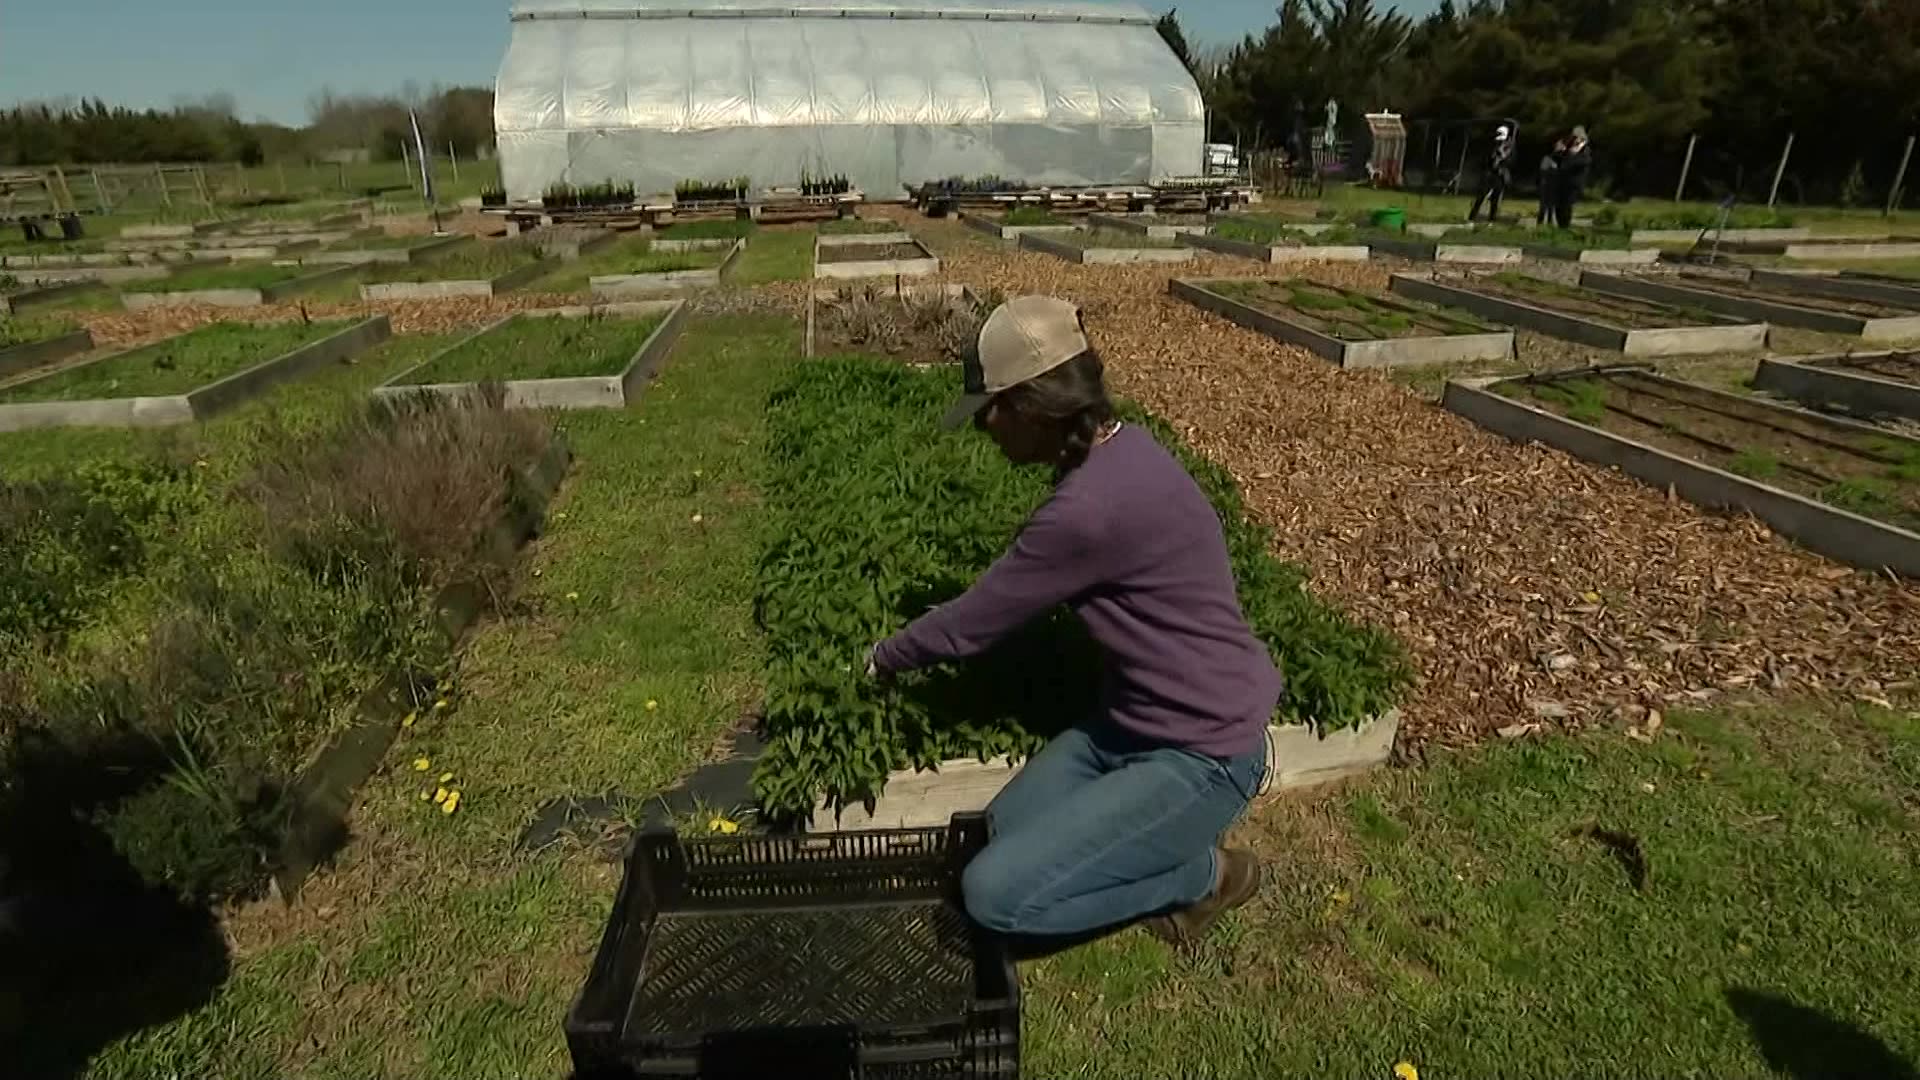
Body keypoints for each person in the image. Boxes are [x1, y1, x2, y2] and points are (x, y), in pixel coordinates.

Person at [867, 296, 1279, 946]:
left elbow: (972, 623)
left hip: (1202, 753)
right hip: (1126, 726)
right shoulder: (1123, 449)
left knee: (994, 895)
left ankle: (1205, 876)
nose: (983, 429)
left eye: (990, 411)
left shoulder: (1087, 511)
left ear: (1031, 407)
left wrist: (880, 658)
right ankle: (1157, 844)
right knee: (1001, 834)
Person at [1468, 123, 1516, 222]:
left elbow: (1509, 161)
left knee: (1495, 199)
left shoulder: (1510, 148)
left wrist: (1502, 154)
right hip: (1490, 173)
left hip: (1500, 175)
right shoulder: (1493, 146)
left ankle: (1491, 219)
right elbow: (1488, 159)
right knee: (1481, 195)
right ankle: (1472, 217)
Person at [1555, 125, 1593, 229]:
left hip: (1574, 182)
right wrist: (1559, 151)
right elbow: (1560, 159)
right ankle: (1560, 225)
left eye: (1577, 137)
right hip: (1563, 181)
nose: (1575, 139)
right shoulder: (1570, 148)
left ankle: (1564, 226)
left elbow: (1584, 162)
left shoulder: (1584, 149)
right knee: (1559, 205)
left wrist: (1571, 156)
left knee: (1567, 205)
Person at [1537, 135, 1565, 226]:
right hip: (1547, 184)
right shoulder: (1548, 158)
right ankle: (1540, 223)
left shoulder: (1563, 157)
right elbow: (1543, 171)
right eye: (1559, 144)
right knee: (1544, 206)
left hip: (1556, 184)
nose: (1561, 146)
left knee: (1552, 207)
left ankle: (1549, 223)